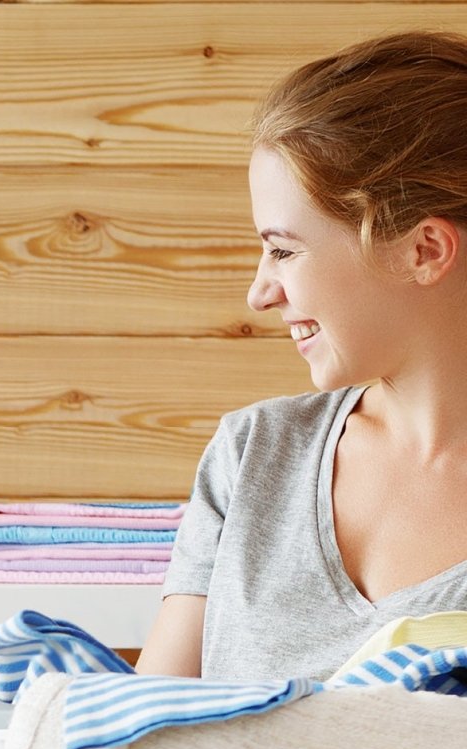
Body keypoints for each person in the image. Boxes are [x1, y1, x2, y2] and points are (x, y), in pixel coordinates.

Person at [137, 30, 467, 681]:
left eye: (284, 250)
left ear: (423, 249)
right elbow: (143, 744)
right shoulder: (253, 454)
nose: (260, 293)